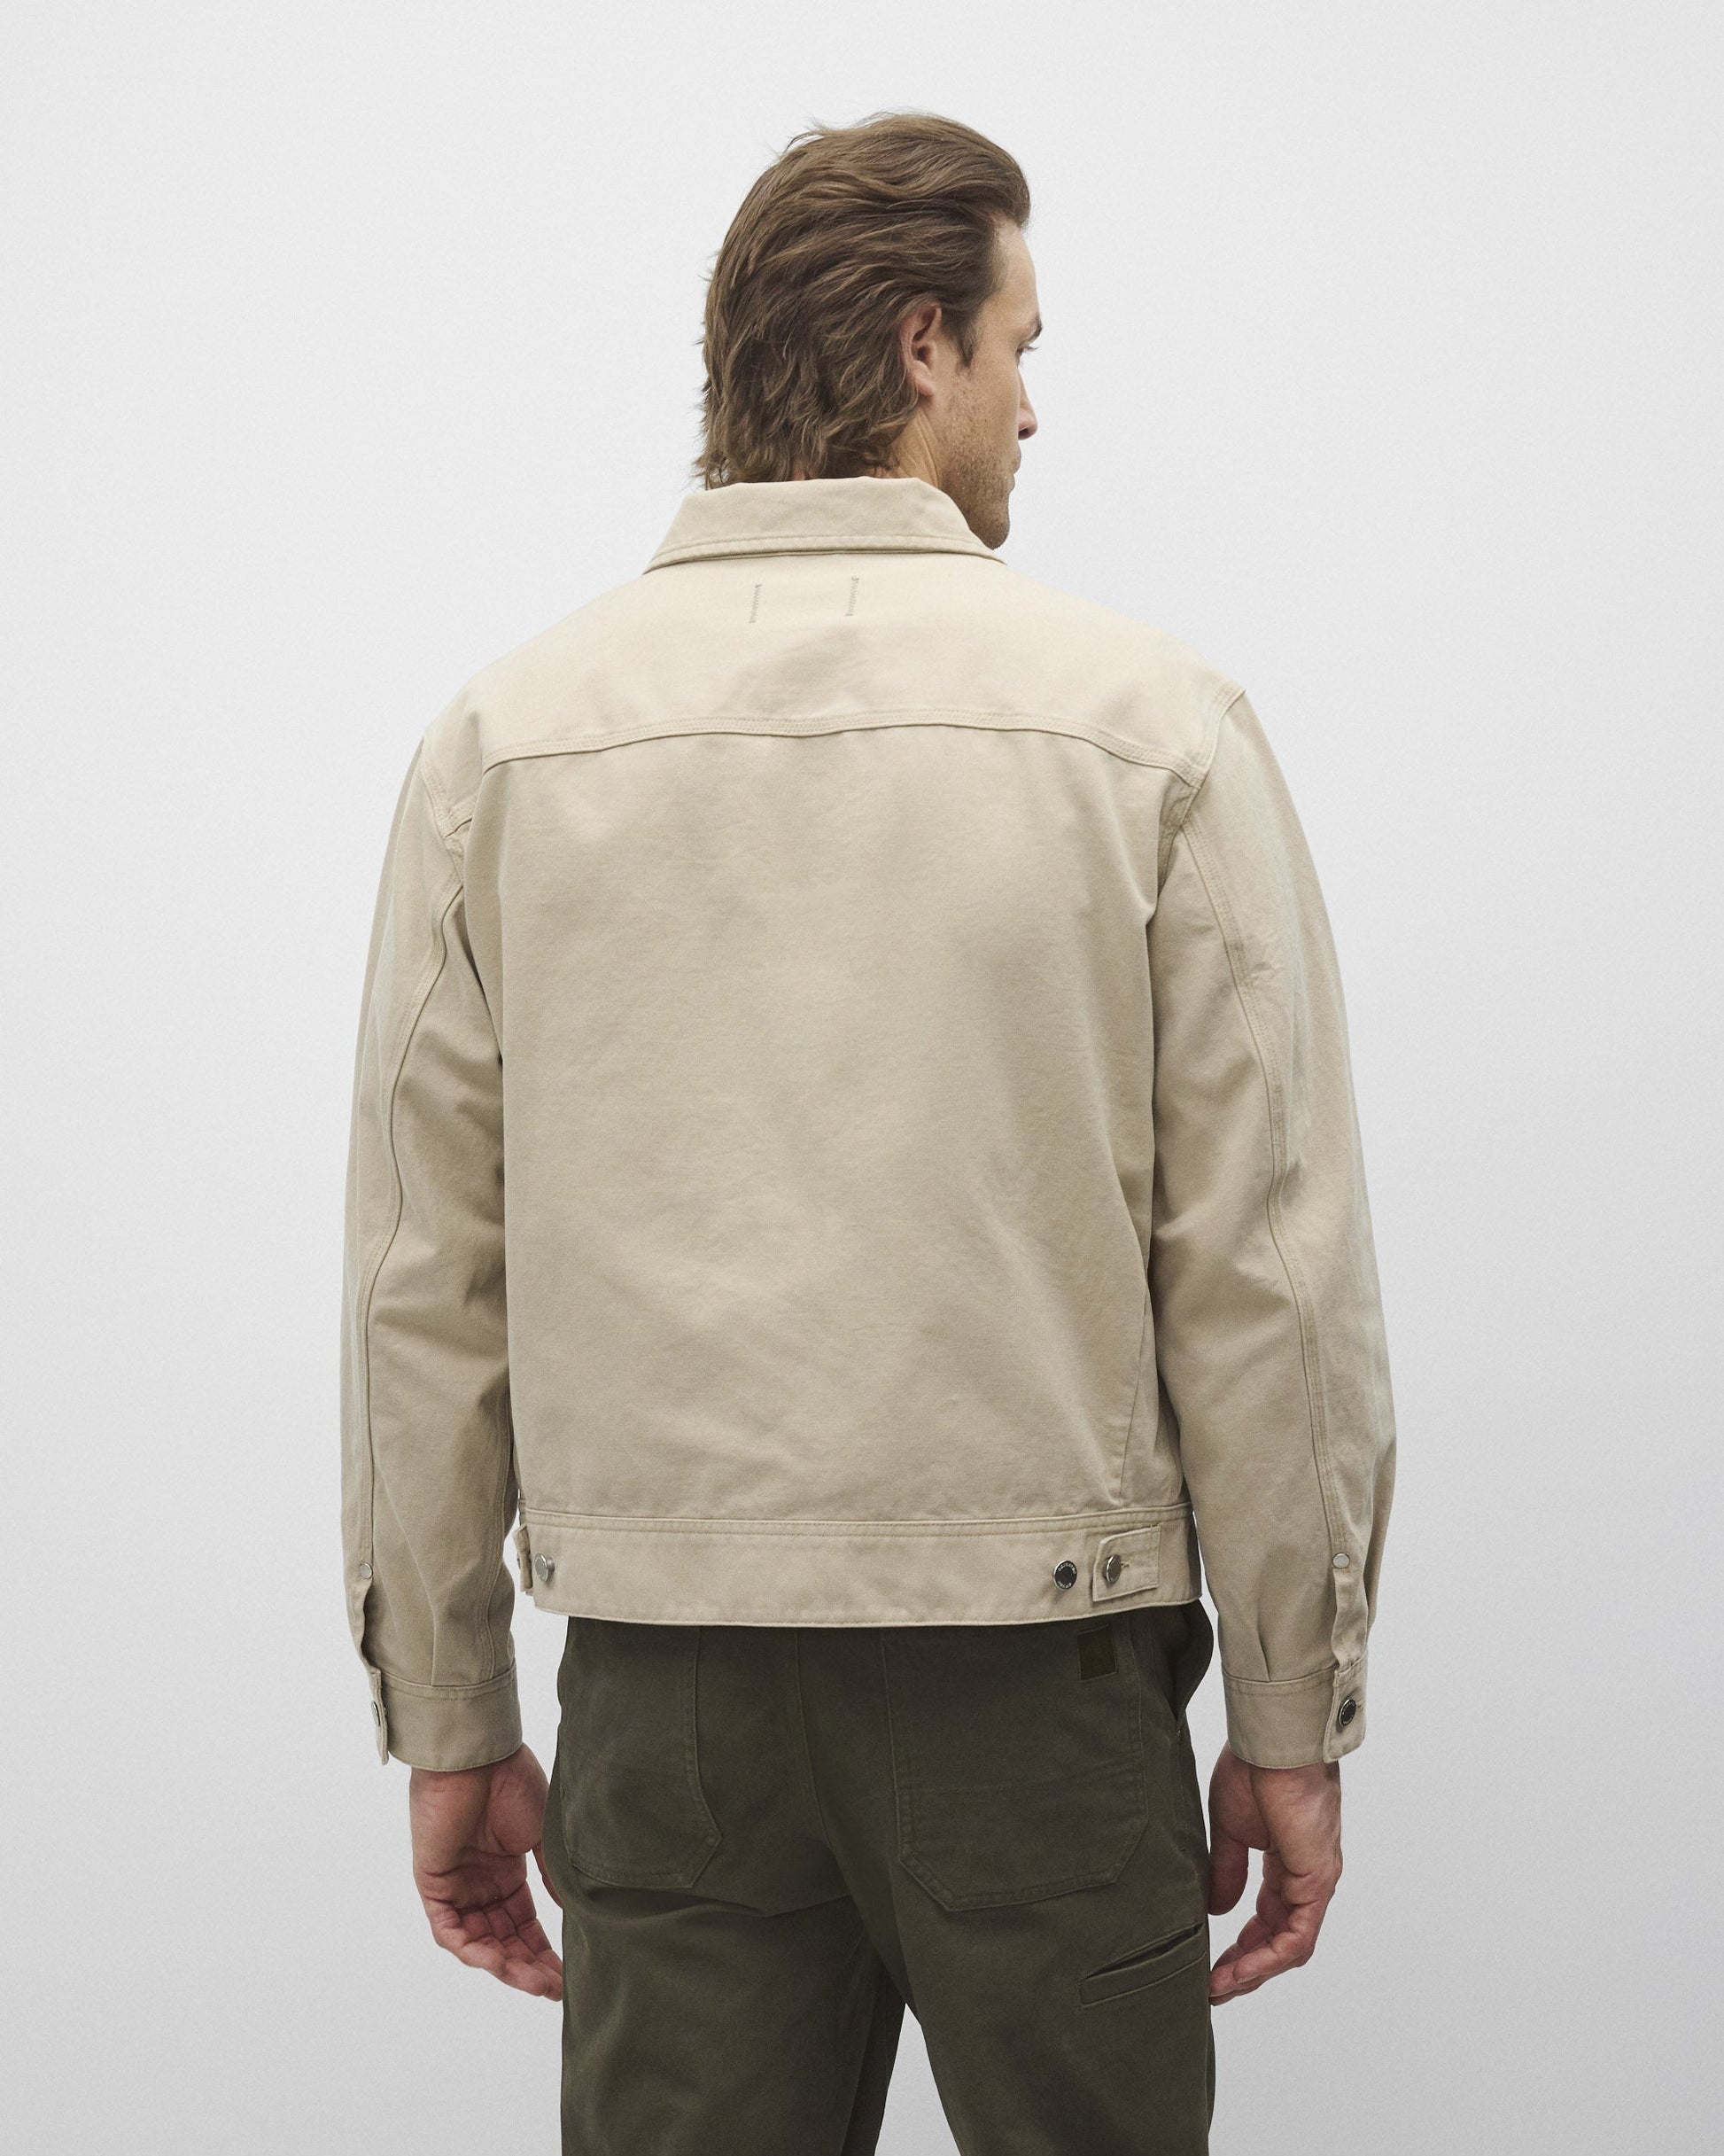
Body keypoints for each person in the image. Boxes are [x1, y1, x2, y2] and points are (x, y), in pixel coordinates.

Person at [340, 109, 1396, 2155]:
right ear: (921, 344)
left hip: (667, 1703)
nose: (1031, 403)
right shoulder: (1149, 729)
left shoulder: (506, 744)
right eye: (1017, 345)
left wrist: (450, 1712)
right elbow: (1263, 1269)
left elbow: (422, 1277)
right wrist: (1292, 1703)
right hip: (1044, 1690)